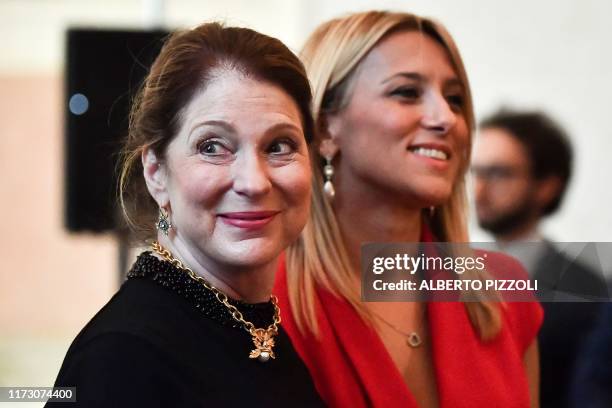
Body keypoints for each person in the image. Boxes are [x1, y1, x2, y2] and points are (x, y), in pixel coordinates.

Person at [273, 11, 543, 408]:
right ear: (326, 128)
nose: (445, 118)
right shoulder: (261, 300)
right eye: (406, 92)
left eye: (454, 99)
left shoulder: (502, 293)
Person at [48, 22, 324, 407]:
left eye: (279, 145)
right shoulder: (122, 357)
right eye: (212, 146)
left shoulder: (253, 325)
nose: (254, 182)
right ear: (156, 172)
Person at [472, 109, 608, 407]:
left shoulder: (590, 293)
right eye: (475, 172)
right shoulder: (447, 274)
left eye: (498, 174)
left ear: (546, 186)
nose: (479, 189)